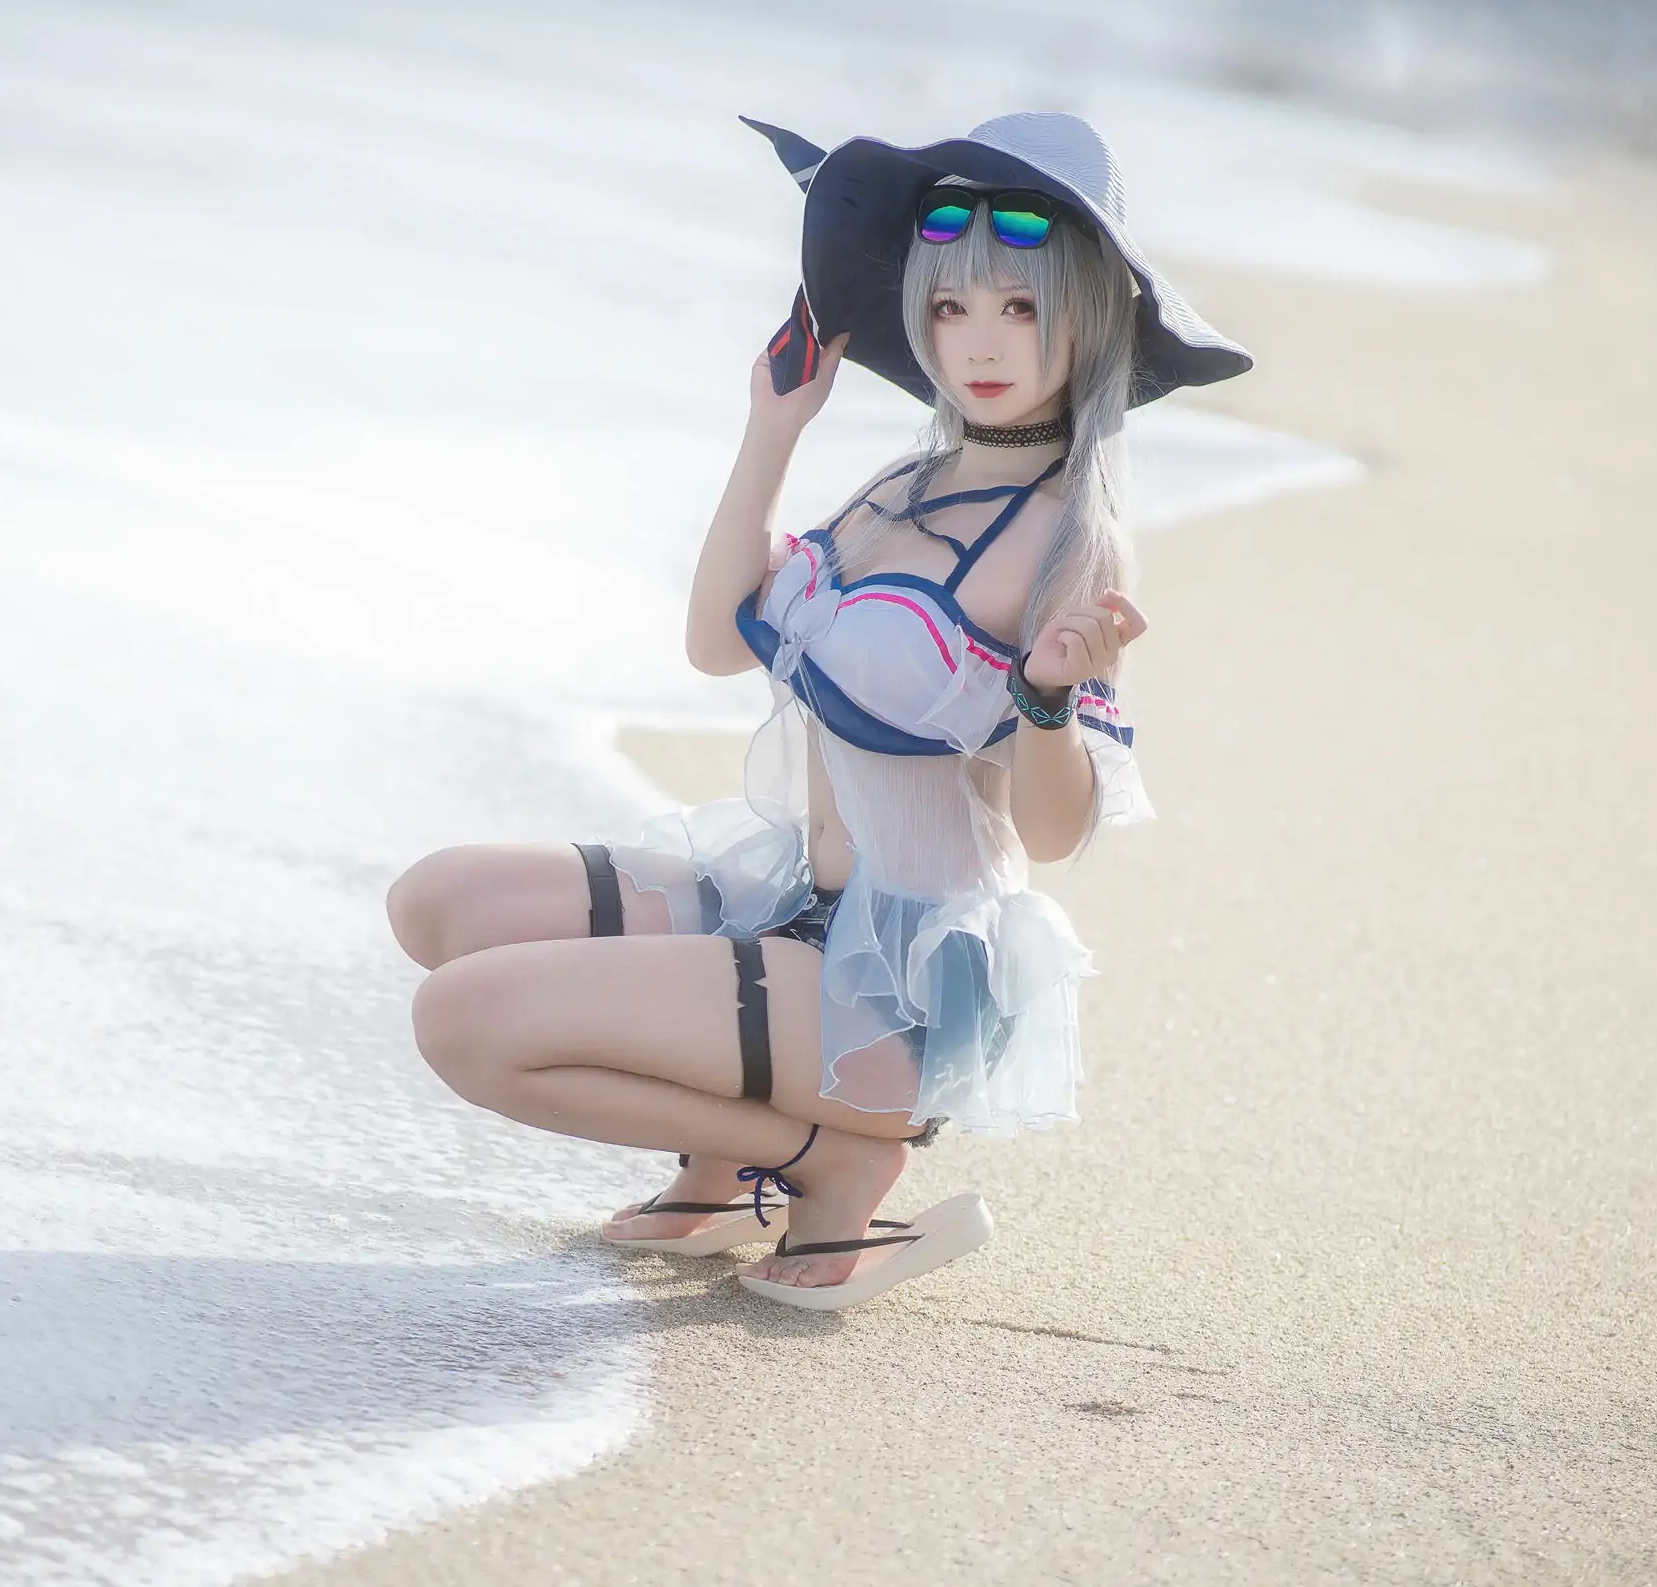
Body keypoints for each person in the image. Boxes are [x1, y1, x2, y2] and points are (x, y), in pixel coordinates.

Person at [388, 112, 1252, 1309]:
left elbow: (1055, 836)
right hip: (790, 902)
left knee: (462, 1022)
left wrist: (1047, 703)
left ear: (1087, 315)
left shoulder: (1071, 542)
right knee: (439, 903)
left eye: (1020, 307)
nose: (979, 341)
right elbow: (713, 641)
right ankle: (722, 1155)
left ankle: (828, 1161)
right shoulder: (907, 481)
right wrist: (774, 427)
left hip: (898, 988)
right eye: (950, 305)